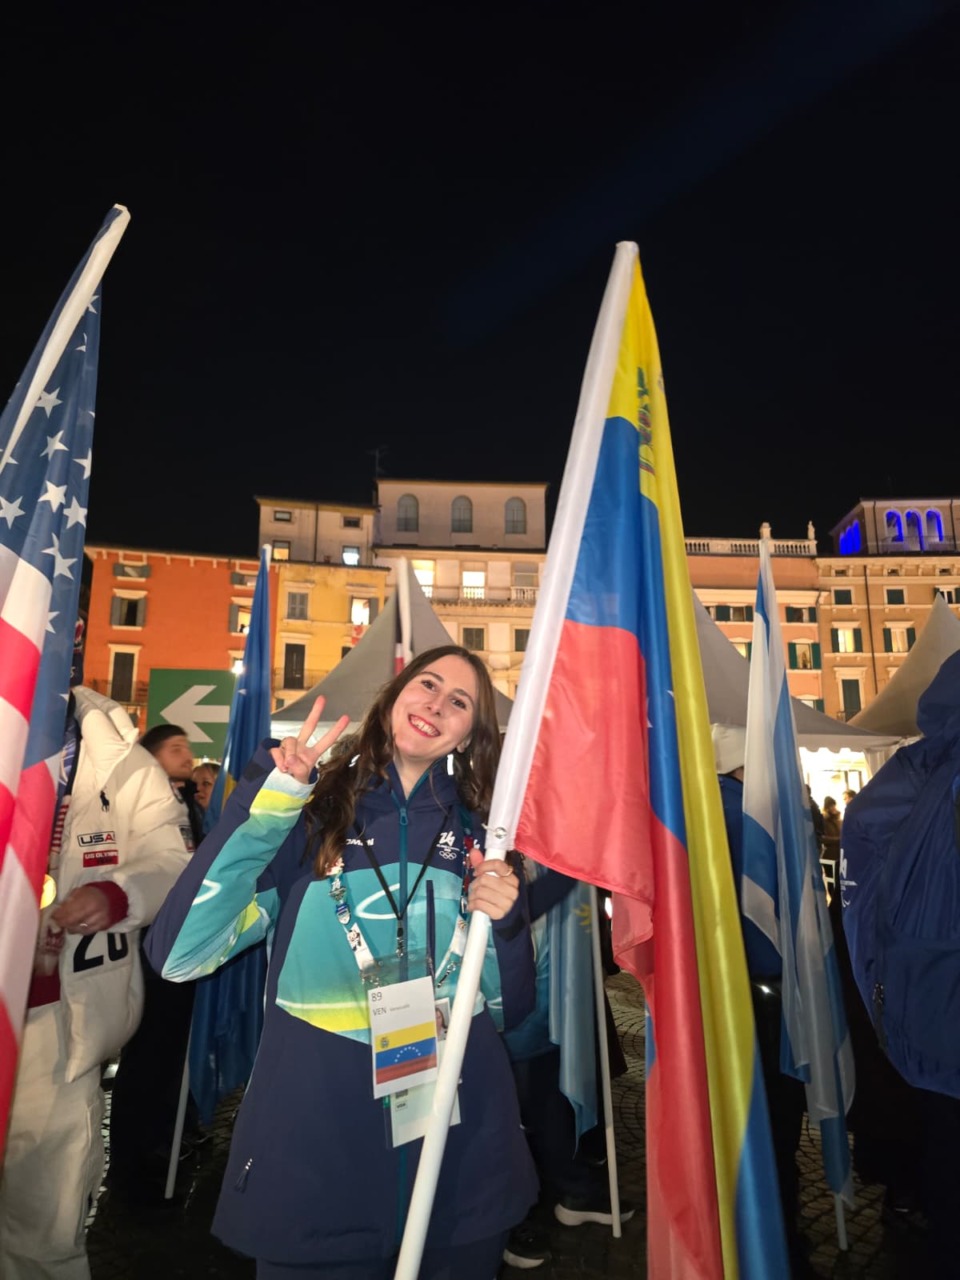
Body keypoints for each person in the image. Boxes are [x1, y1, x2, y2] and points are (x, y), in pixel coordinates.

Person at [145, 645, 538, 1278]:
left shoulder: (486, 837)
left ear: (471, 734)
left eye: (459, 701)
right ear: (392, 698)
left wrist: (508, 921)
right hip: (314, 1167)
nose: (437, 703)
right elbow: (179, 952)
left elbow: (509, 1009)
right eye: (427, 684)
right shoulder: (310, 816)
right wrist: (268, 806)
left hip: (459, 1168)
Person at [0, 585, 193, 1279]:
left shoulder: (113, 752)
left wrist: (117, 894)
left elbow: (172, 862)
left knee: (44, 1221)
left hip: (57, 1021)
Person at [712, 724, 809, 1273]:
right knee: (774, 1123)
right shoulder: (750, 817)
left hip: (727, 991)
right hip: (765, 990)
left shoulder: (710, 812)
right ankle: (778, 1243)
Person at [105, 724, 205, 1207]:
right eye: (175, 749)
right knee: (146, 1052)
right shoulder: (134, 809)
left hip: (182, 944)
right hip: (147, 946)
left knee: (171, 1048)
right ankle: (132, 1158)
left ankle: (169, 1133)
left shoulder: (189, 806)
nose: (187, 757)